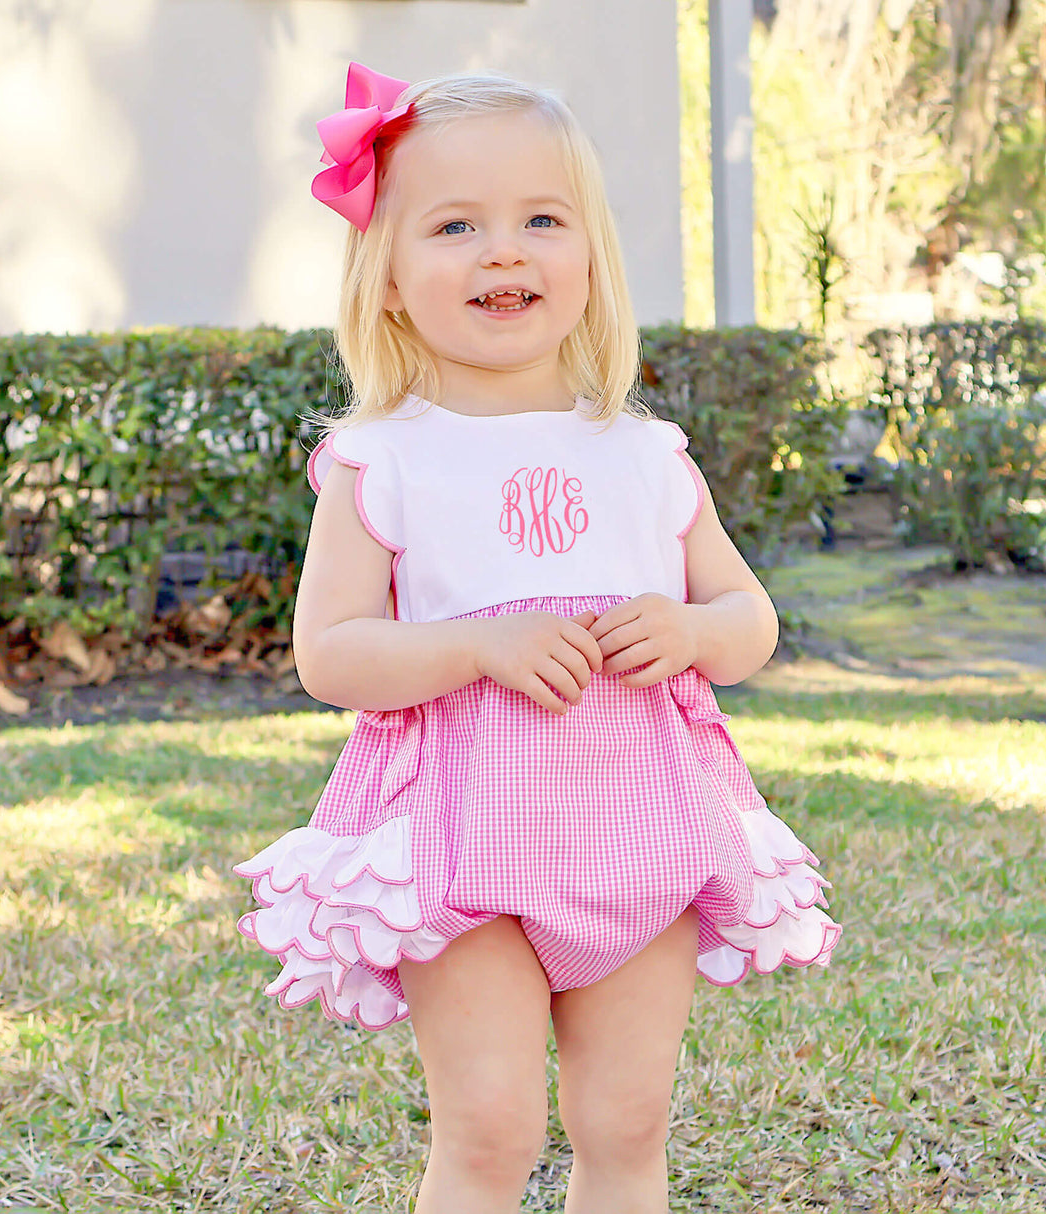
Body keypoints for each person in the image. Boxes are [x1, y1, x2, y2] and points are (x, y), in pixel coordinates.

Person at [234, 62, 841, 1214]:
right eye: (455, 225)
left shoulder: (643, 453)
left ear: (590, 258)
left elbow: (749, 621)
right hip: (463, 839)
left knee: (627, 1121)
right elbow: (332, 652)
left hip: (640, 826)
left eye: (540, 221)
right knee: (489, 1128)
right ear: (388, 277)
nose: (501, 251)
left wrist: (689, 626)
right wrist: (477, 645)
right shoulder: (383, 457)